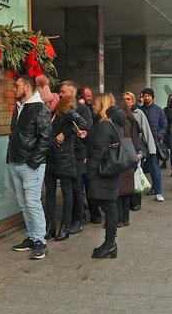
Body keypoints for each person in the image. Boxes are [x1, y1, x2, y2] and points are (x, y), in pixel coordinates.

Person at [7, 74, 53, 260]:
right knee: (24, 203)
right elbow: (15, 134)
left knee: (32, 202)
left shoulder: (39, 108)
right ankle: (33, 237)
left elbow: (46, 138)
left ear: (27, 87)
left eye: (17, 86)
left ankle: (40, 241)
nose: (13, 89)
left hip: (30, 164)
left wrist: (34, 161)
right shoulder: (19, 107)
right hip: (16, 161)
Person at [43, 95, 88, 242]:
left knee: (67, 191)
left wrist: (65, 133)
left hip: (65, 157)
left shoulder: (66, 111)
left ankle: (65, 226)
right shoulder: (50, 114)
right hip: (50, 156)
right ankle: (50, 226)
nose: (46, 104)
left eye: (48, 102)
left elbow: (83, 123)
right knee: (49, 192)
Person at [85, 94, 122, 259]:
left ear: (102, 105)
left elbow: (99, 150)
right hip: (110, 169)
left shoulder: (104, 125)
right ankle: (110, 244)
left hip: (103, 171)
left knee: (109, 207)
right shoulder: (113, 124)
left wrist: (91, 171)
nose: (93, 106)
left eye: (95, 103)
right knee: (109, 206)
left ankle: (109, 245)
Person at [60, 80, 93, 232]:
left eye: (63, 91)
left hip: (78, 154)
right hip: (64, 153)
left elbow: (87, 131)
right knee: (67, 188)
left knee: (77, 187)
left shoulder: (83, 110)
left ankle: (78, 219)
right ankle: (69, 218)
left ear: (72, 92)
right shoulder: (60, 109)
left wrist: (85, 152)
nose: (60, 94)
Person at [124, 91, 156, 211]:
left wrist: (151, 150)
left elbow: (146, 130)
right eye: (124, 99)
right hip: (124, 150)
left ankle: (136, 202)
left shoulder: (139, 113)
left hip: (136, 149)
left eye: (129, 99)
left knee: (136, 174)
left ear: (133, 101)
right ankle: (127, 200)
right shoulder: (119, 113)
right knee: (126, 177)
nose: (127, 101)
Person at [116, 97, 143, 227]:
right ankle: (125, 218)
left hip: (122, 158)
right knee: (126, 190)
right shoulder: (132, 121)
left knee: (119, 190)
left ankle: (120, 219)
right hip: (131, 158)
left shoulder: (122, 124)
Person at [138, 87, 168, 202]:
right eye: (144, 96)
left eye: (148, 96)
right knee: (141, 167)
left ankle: (158, 191)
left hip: (153, 142)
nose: (146, 98)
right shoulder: (139, 110)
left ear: (152, 97)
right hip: (141, 142)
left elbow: (164, 126)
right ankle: (141, 189)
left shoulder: (159, 110)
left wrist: (157, 135)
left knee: (155, 167)